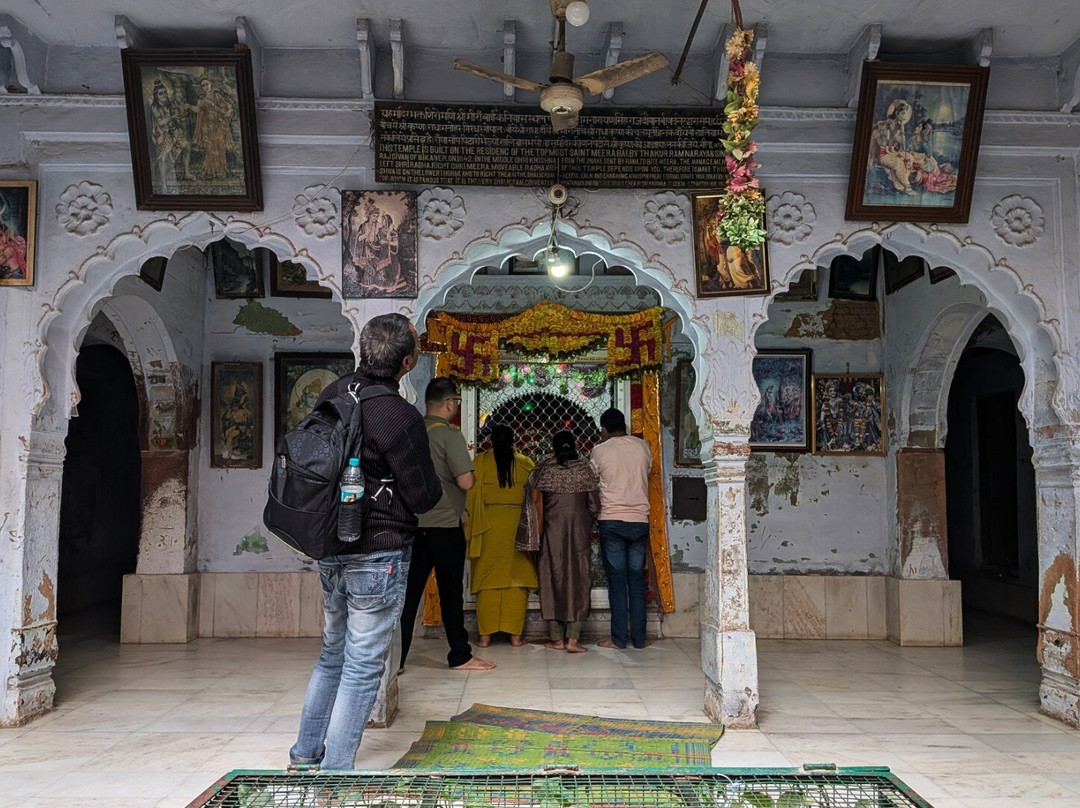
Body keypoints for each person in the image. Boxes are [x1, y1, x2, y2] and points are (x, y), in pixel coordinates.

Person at [289, 313, 443, 771]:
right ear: (408, 362)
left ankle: (305, 755)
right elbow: (423, 496)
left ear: (363, 351)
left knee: (332, 655)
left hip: (331, 547)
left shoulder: (332, 394)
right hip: (378, 552)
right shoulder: (400, 415)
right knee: (361, 665)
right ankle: (335, 773)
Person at [399, 378, 496, 672]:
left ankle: (396, 659)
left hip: (413, 525)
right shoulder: (449, 436)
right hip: (444, 524)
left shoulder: (410, 433)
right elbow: (465, 480)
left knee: (408, 594)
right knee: (451, 593)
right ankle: (460, 656)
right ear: (451, 404)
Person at [518, 430, 600, 653]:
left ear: (553, 447)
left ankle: (556, 638)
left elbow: (531, 504)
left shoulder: (543, 468)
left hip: (551, 534)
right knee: (578, 579)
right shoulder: (584, 468)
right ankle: (573, 639)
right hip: (579, 534)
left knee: (551, 579)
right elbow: (595, 507)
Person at [466, 423, 537, 647]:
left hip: (486, 527)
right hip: (517, 528)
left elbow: (468, 497)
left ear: (491, 441)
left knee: (487, 579)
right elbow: (536, 498)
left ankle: (485, 637)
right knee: (516, 580)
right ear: (514, 441)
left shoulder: (479, 462)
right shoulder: (526, 464)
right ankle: (515, 637)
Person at [590, 408, 653, 650]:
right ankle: (639, 639)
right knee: (636, 580)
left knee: (617, 582)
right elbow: (646, 472)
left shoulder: (599, 450)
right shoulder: (643, 446)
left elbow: (593, 479)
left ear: (604, 430)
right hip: (639, 520)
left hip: (612, 520)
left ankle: (618, 639)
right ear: (625, 426)